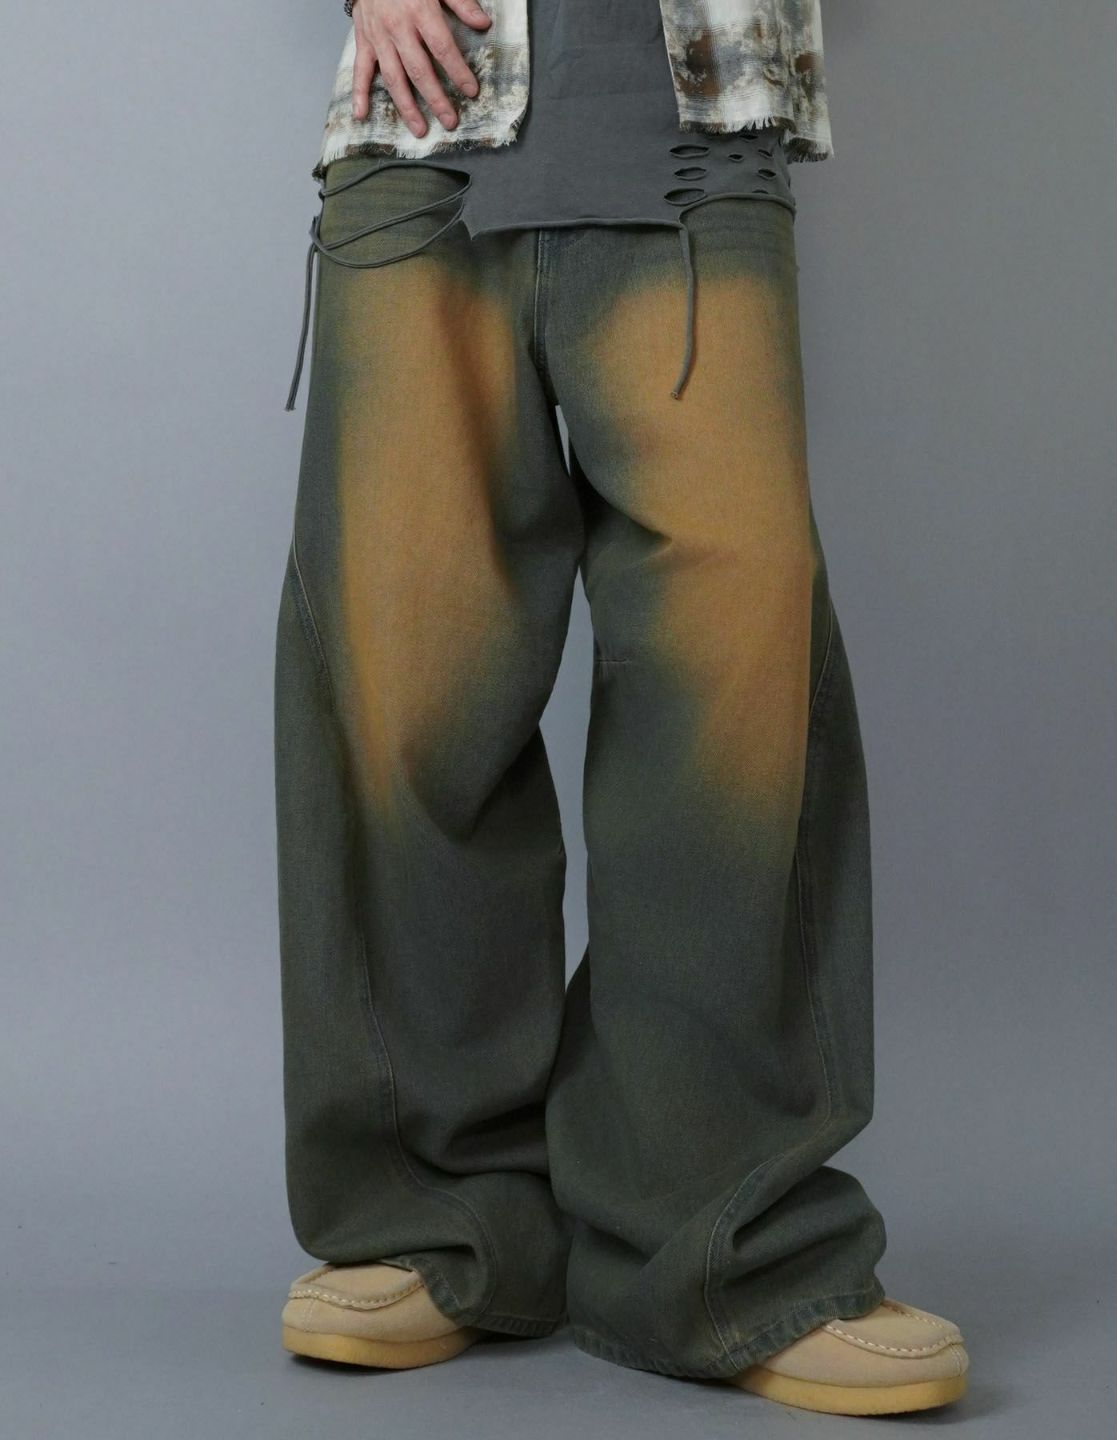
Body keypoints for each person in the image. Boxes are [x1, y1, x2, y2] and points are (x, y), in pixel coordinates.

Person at [273, 0, 969, 1418]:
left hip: (697, 139)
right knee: (406, 704)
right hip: (421, 150)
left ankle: (728, 1249)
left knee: (732, 713)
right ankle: (436, 1225)